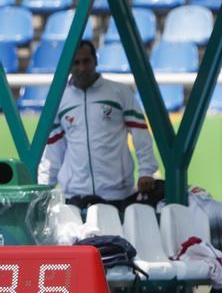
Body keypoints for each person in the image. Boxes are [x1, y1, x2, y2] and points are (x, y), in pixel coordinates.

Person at [38, 40, 158, 205]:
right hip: (74, 197)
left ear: (96, 60)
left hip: (118, 195)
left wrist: (146, 170)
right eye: (76, 63)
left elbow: (141, 134)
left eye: (86, 61)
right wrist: (42, 187)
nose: (82, 68)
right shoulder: (59, 100)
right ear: (69, 66)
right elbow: (52, 150)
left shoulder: (120, 92)